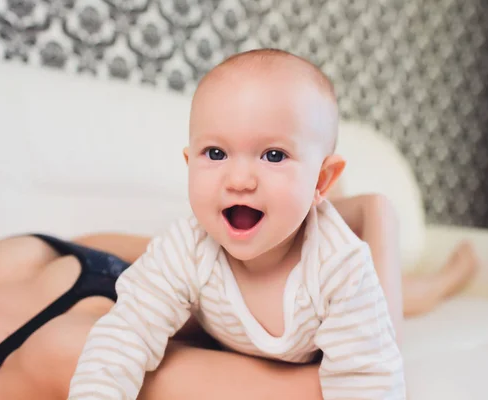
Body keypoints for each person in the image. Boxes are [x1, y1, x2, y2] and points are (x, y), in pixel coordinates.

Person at [69, 49, 405, 399]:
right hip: (226, 327)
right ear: (189, 163)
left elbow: (368, 380)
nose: (240, 179)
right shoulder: (186, 248)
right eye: (215, 153)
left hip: (330, 324)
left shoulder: (339, 266)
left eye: (273, 155)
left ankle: (432, 275)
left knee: (388, 315)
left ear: (321, 180)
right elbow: (124, 336)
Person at [0, 193, 477, 400]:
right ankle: (427, 289)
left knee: (351, 216)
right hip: (226, 300)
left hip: (163, 256)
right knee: (365, 231)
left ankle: (423, 285)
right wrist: (377, 220)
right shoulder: (30, 369)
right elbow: (350, 388)